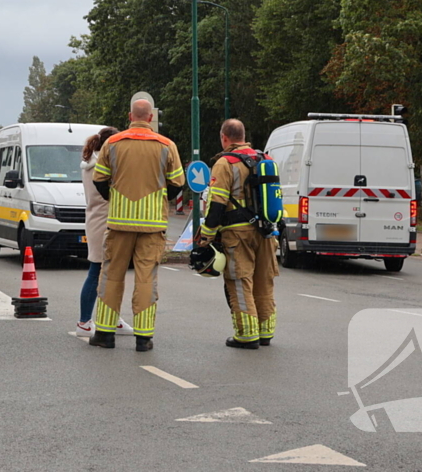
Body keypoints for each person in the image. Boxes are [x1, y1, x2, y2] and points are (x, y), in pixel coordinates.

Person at [90, 99, 184, 352]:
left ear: (130, 116)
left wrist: (115, 199)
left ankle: (105, 334)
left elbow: (99, 180)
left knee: (111, 276)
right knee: (146, 278)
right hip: (152, 224)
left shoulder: (113, 143)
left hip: (119, 222)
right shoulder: (167, 145)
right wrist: (159, 201)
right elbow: (177, 183)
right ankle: (143, 338)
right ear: (151, 117)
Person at [199, 119, 279, 349]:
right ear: (244, 136)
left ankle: (246, 335)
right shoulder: (265, 159)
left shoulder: (225, 163)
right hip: (266, 230)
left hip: (237, 233)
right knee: (264, 282)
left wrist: (207, 235)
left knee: (240, 281)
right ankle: (265, 332)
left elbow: (216, 203)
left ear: (224, 137)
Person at [76, 126, 135, 338]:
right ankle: (84, 322)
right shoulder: (103, 165)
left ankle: (111, 317)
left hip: (97, 221)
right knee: (97, 272)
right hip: (104, 222)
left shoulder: (92, 162)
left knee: (109, 273)